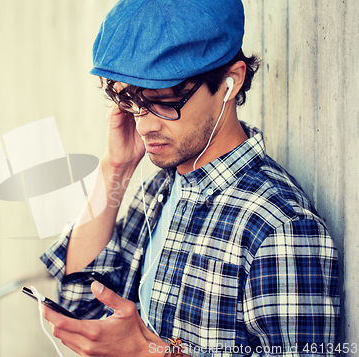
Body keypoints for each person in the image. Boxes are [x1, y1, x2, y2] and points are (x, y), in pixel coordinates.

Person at [41, 0, 340, 355]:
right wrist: (114, 168)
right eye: (130, 100)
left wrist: (148, 353)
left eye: (166, 100)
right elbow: (81, 309)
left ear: (230, 82)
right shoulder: (162, 188)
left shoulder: (278, 226)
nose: (144, 124)